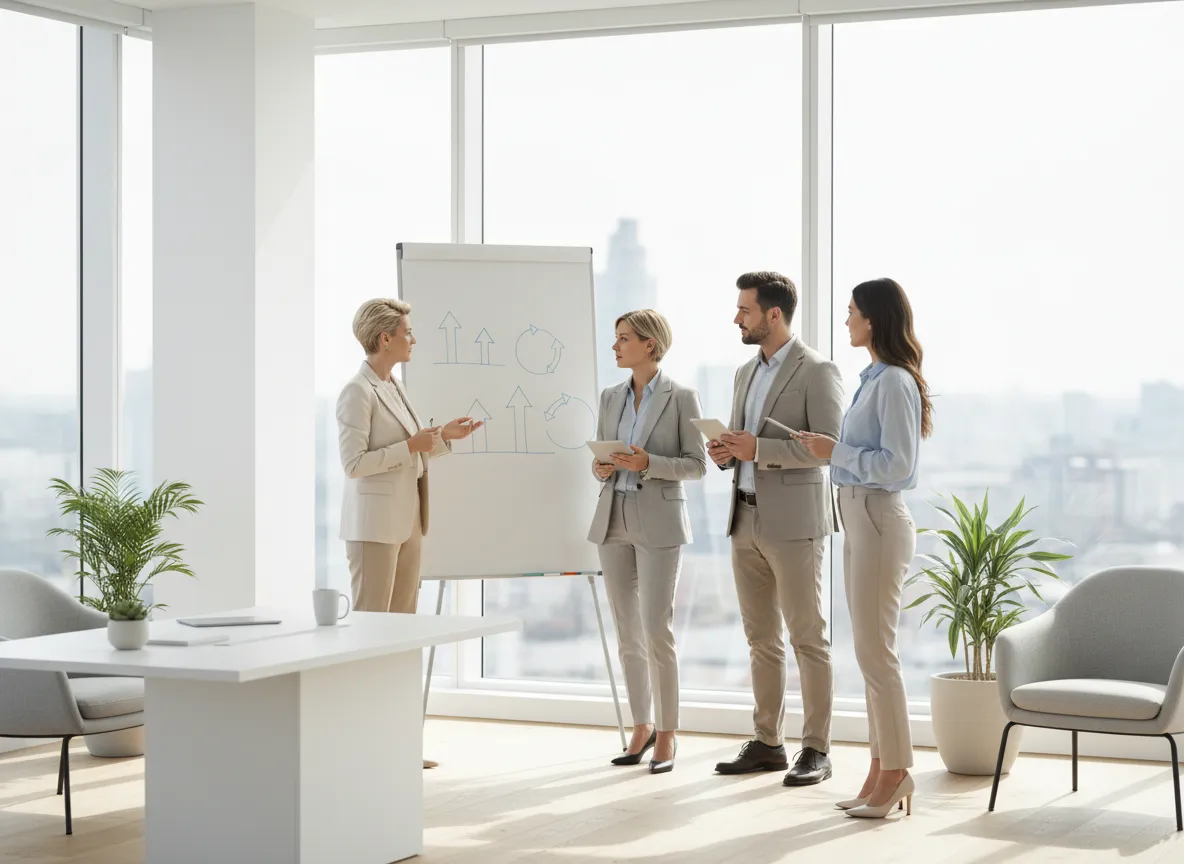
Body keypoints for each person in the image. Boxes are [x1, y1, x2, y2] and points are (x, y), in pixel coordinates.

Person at [798, 277, 932, 820]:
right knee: (869, 653)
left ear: (873, 319)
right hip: (859, 522)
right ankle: (880, 770)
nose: (846, 320)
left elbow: (899, 468)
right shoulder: (872, 378)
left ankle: (897, 771)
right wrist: (831, 452)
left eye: (851, 311)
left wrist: (836, 451)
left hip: (878, 520)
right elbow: (861, 454)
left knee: (878, 655)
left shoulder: (895, 381)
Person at [706, 272, 844, 787]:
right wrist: (725, 452)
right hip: (744, 516)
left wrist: (758, 450)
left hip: (794, 523)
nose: (736, 318)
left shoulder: (817, 371)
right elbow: (745, 444)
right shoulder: (745, 372)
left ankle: (817, 748)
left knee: (808, 637)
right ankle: (768, 742)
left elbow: (827, 446)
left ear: (773, 315)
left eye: (744, 310)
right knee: (761, 639)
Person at [336, 298, 481, 769]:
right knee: (368, 636)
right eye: (408, 332)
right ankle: (359, 745)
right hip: (374, 530)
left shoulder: (395, 388)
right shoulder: (356, 392)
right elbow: (354, 465)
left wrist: (441, 439)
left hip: (409, 524)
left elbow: (413, 452)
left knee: (400, 638)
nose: (413, 339)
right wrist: (412, 444)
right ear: (385, 338)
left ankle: (398, 745)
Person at [587, 309, 706, 775]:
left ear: (650, 345)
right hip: (613, 517)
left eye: (623, 339)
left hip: (659, 520)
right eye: (615, 338)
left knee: (657, 630)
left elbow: (696, 465)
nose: (615, 347)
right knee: (627, 631)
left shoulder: (682, 397)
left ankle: (669, 733)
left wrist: (647, 463)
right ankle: (642, 725)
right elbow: (601, 455)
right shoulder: (610, 396)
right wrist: (601, 467)